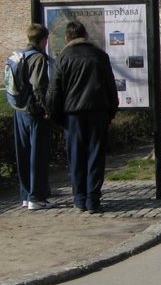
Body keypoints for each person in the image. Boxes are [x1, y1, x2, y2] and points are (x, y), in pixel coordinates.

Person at [46, 21, 119, 214]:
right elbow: (111, 87)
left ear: (67, 38)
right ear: (85, 35)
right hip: (98, 112)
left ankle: (79, 197)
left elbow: (54, 91)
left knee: (76, 156)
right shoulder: (100, 56)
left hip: (73, 115)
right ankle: (93, 198)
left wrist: (56, 116)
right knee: (96, 156)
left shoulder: (63, 58)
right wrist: (111, 111)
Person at [8, 24, 55, 210]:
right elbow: (38, 86)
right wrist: (45, 108)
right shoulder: (37, 58)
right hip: (34, 112)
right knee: (38, 154)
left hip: (18, 109)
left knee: (24, 153)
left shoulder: (18, 56)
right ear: (43, 40)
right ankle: (37, 197)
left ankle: (26, 195)